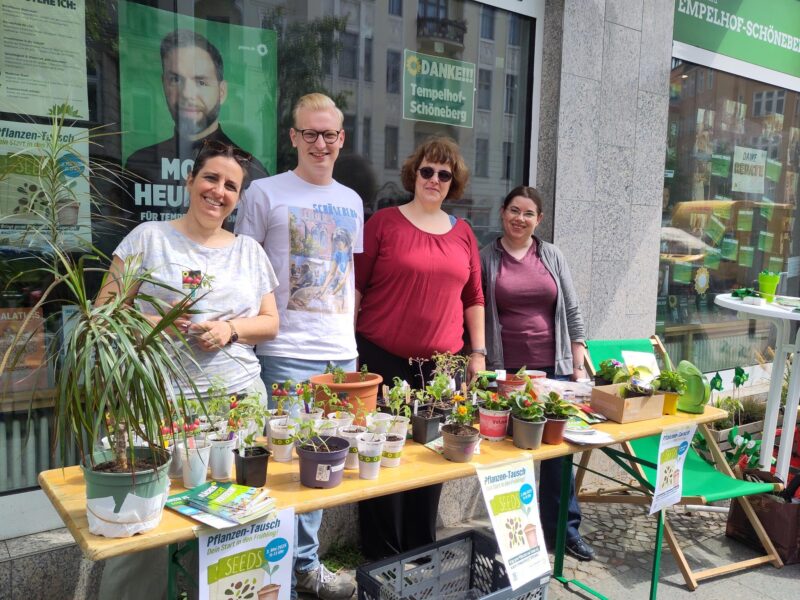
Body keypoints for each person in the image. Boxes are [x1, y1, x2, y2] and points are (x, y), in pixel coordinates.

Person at [97, 141, 279, 599]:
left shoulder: (250, 252)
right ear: (189, 182)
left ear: (239, 197)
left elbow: (270, 323)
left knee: (233, 519)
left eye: (231, 185)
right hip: (158, 404)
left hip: (236, 404)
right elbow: (102, 313)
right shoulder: (148, 238)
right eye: (211, 179)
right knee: (144, 521)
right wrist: (160, 324)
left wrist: (231, 330)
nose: (219, 191)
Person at [235, 93, 361, 600]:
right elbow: (245, 272)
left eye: (329, 134)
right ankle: (271, 575)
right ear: (293, 137)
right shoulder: (264, 193)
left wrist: (350, 343)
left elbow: (348, 274)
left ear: (341, 139)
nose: (320, 143)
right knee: (286, 465)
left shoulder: (352, 201)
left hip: (341, 355)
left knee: (326, 463)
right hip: (285, 352)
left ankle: (305, 569)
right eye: (309, 133)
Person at [354, 136, 485, 559]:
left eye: (444, 174)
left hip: (442, 369)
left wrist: (478, 355)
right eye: (427, 171)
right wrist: (347, 352)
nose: (434, 179)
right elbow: (356, 288)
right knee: (383, 453)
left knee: (431, 460)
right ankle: (382, 554)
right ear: (414, 173)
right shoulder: (384, 223)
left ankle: (419, 547)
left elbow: (474, 299)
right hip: (382, 357)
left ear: (454, 182)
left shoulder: (463, 233)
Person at [480, 185, 595, 562]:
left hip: (553, 369)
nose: (520, 219)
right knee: (510, 454)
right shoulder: (487, 258)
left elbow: (573, 311)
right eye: (514, 210)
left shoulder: (551, 255)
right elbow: (476, 311)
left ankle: (564, 532)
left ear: (539, 219)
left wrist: (578, 367)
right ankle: (515, 538)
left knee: (558, 454)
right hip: (506, 371)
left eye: (528, 213)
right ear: (502, 212)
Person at [124, 29, 267, 225]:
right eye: (175, 79)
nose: (187, 94)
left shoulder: (252, 171)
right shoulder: (138, 164)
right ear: (163, 84)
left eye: (201, 82)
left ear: (222, 91)